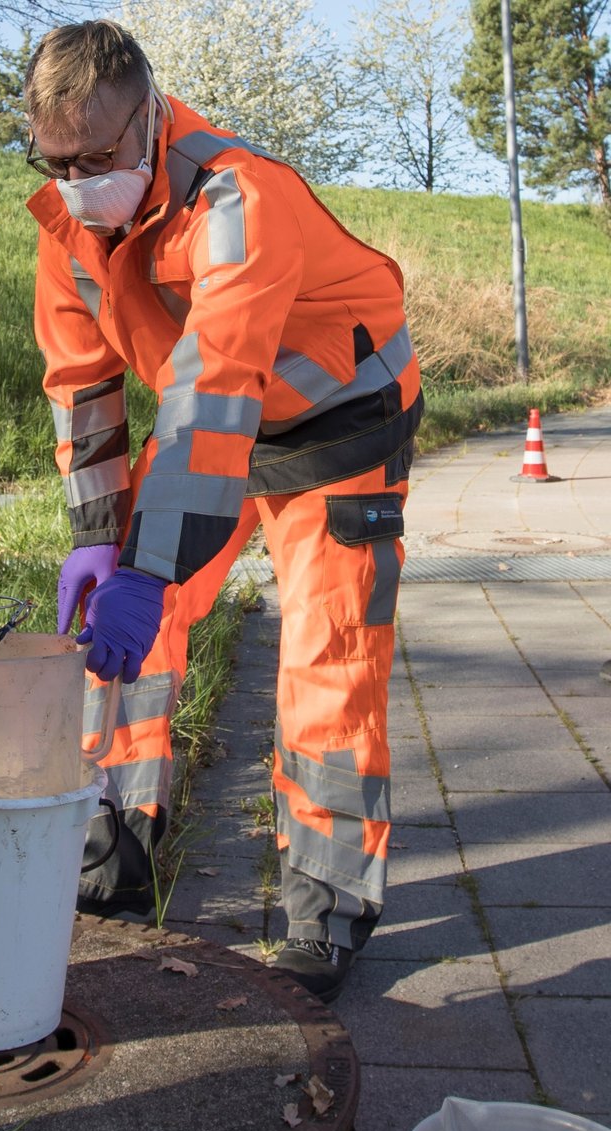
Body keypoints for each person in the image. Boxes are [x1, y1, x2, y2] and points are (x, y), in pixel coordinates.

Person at [23, 22, 421, 1004]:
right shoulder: (67, 228)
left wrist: (149, 565)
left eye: (99, 157)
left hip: (338, 427)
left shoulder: (240, 199)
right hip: (213, 419)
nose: (79, 182)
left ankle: (324, 912)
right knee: (120, 644)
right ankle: (106, 872)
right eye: (56, 161)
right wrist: (93, 540)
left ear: (151, 119)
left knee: (325, 658)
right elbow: (80, 389)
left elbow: (211, 394)